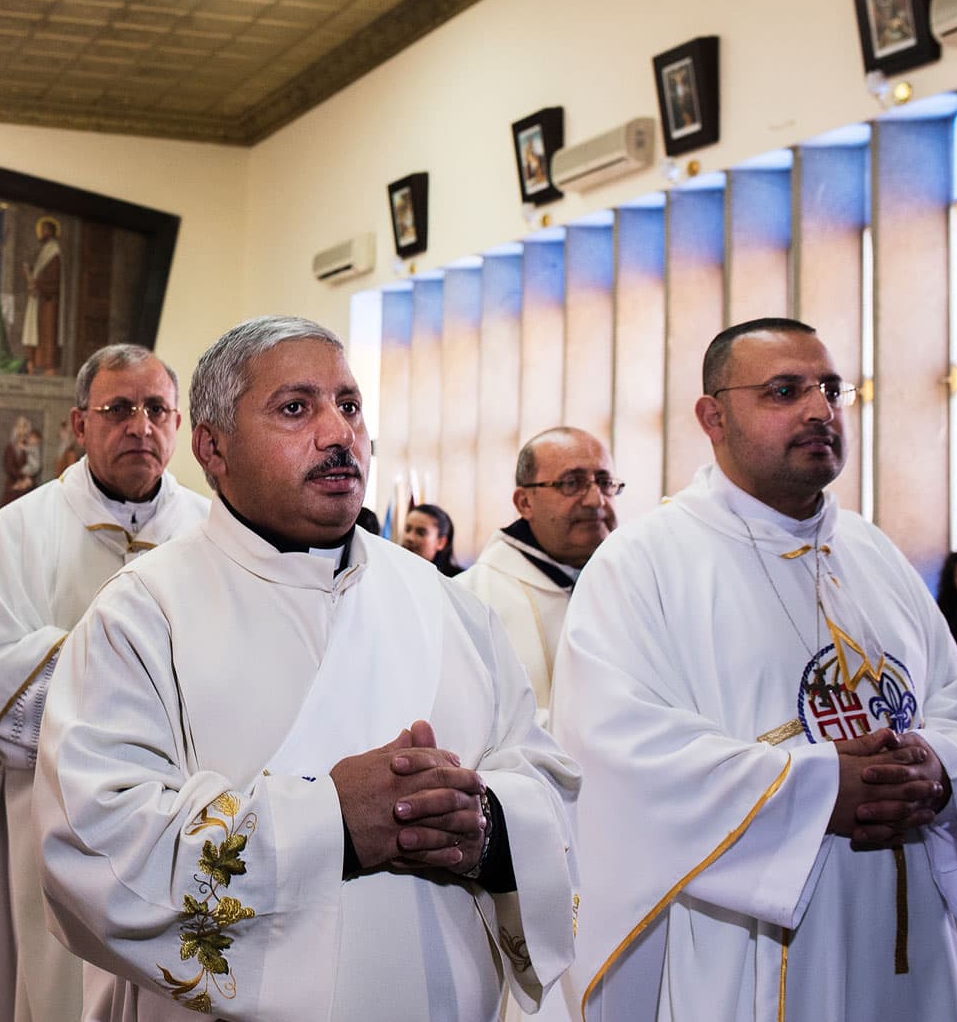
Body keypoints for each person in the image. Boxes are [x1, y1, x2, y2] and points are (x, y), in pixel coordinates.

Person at [37, 316, 579, 1022]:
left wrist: (487, 824)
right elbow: (95, 845)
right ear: (213, 447)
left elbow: (544, 776)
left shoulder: (447, 603)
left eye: (349, 405)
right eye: (296, 408)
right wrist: (333, 821)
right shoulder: (143, 616)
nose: (338, 433)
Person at [555, 317, 957, 1021]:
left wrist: (939, 766)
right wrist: (819, 787)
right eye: (784, 389)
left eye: (831, 387)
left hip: (917, 946)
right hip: (749, 945)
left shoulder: (872, 550)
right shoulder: (643, 561)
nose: (820, 408)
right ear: (713, 415)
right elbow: (618, 756)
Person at [0, 343, 210, 1022]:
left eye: (156, 408)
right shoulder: (20, 529)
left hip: (186, 814)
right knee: (55, 988)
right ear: (80, 424)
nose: (139, 425)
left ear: (180, 425)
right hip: (54, 812)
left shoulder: (217, 532)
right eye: (118, 408)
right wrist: (109, 675)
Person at [456, 427, 620, 722]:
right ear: (524, 503)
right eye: (572, 483)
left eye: (606, 483)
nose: (596, 501)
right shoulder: (470, 599)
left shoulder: (631, 585)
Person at [22, 216, 61, 374]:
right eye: (41, 229)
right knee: (34, 331)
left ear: (51, 232)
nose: (41, 233)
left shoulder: (54, 252)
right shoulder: (45, 250)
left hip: (47, 301)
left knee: (46, 333)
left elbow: (53, 277)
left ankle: (48, 366)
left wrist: (37, 283)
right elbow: (41, 273)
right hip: (38, 299)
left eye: (44, 230)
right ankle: (32, 363)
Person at [398, 501, 462, 575]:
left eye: (421, 533)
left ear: (441, 543)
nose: (409, 538)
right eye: (407, 529)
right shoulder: (393, 570)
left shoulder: (457, 581)